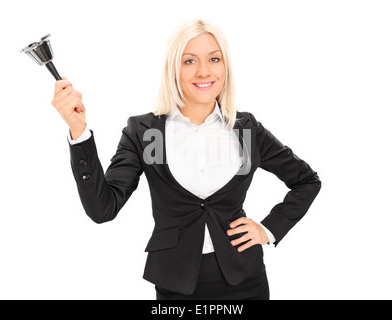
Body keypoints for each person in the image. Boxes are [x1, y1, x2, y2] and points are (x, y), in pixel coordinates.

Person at [51, 18, 322, 300]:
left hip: (246, 281)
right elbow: (102, 209)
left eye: (214, 59)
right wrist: (79, 131)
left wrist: (268, 229)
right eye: (189, 61)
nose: (204, 71)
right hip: (176, 285)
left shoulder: (246, 130)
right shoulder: (147, 133)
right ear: (173, 69)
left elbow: (307, 181)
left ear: (225, 66)